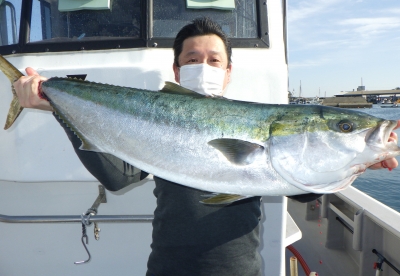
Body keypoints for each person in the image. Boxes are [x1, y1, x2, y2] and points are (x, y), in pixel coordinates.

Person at [13, 17, 400, 275]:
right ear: (177, 71)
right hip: (167, 266)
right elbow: (118, 177)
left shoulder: (257, 122)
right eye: (193, 58)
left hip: (240, 269)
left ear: (228, 71)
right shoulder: (158, 112)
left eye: (215, 59)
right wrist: (57, 107)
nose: (205, 65)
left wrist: (354, 160)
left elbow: (301, 185)